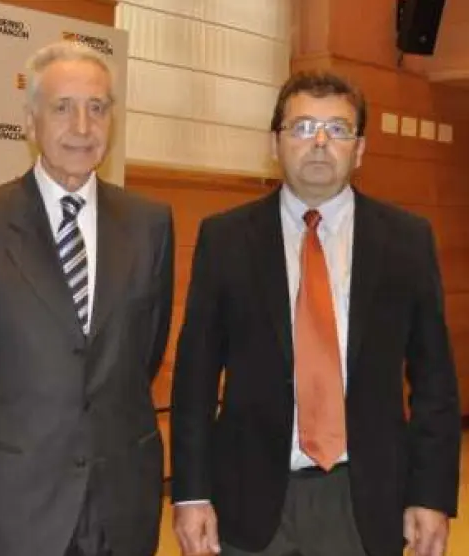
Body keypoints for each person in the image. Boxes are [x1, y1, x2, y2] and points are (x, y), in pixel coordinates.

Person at [170, 70, 461, 556]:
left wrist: (430, 495)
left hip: (363, 502)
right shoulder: (225, 239)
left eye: (338, 129)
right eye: (302, 127)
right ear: (274, 143)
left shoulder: (406, 241)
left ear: (359, 149)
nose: (320, 142)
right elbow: (194, 380)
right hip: (248, 499)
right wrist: (191, 493)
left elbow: (435, 383)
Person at [0, 41, 174, 556]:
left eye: (97, 107)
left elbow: (144, 354)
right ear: (29, 121)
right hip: (18, 502)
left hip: (121, 500)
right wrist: (8, 445)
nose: (82, 126)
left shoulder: (149, 224)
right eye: (63, 108)